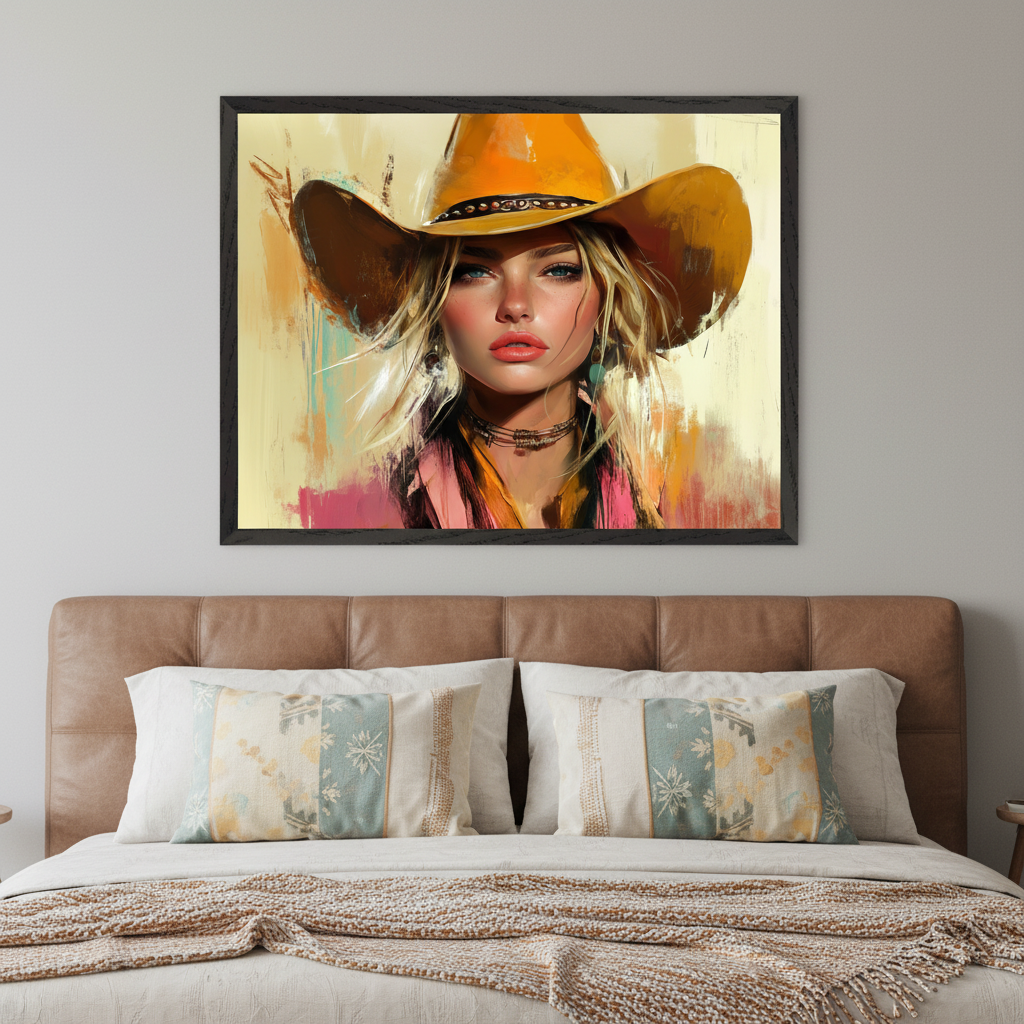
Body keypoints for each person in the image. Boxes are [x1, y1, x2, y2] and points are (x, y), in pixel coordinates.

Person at [292, 113, 752, 529]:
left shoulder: (673, 505)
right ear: (434, 299)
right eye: (474, 272)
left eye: (559, 270)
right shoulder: (375, 509)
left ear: (608, 295)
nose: (515, 305)